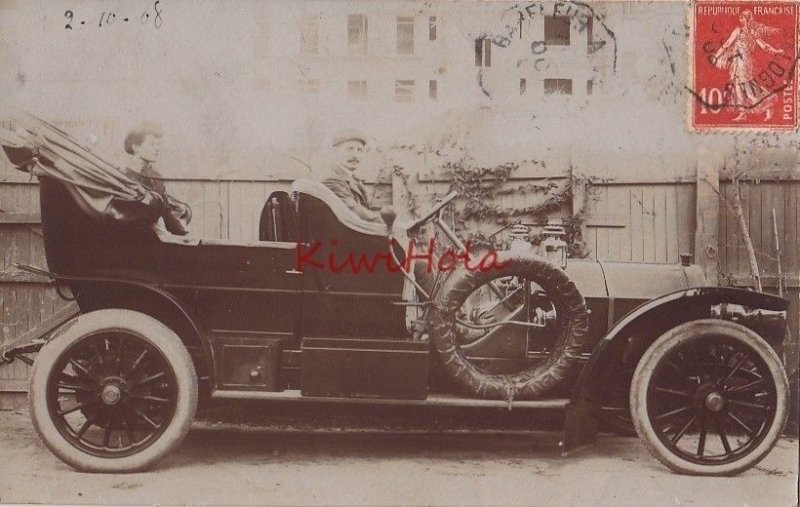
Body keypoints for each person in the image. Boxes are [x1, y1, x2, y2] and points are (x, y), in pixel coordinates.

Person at [712, 10, 786, 121]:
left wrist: (716, 56)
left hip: (743, 63)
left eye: (742, 17)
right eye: (739, 17)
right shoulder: (751, 31)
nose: (739, 19)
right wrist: (775, 51)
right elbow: (764, 45)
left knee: (747, 89)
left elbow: (727, 44)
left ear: (747, 19)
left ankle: (767, 106)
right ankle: (743, 113)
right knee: (739, 87)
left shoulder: (739, 31)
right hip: (740, 62)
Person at [122, 123, 191, 235]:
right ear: (136, 147)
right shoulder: (125, 177)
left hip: (155, 235)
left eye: (159, 144)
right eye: (152, 144)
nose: (157, 149)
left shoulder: (156, 177)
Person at [319, 129, 389, 224]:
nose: (355, 155)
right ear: (335, 152)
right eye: (349, 149)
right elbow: (354, 211)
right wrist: (389, 223)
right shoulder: (331, 179)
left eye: (359, 150)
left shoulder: (351, 178)